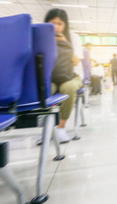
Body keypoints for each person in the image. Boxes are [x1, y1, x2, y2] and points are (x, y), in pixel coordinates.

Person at [43, 8, 83, 143]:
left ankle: (60, 127)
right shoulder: (42, 37)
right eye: (52, 23)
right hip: (51, 77)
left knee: (69, 88)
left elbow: (76, 61)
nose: (56, 27)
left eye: (59, 24)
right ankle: (47, 128)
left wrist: (65, 43)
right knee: (45, 89)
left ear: (65, 24)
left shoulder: (73, 37)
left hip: (72, 76)